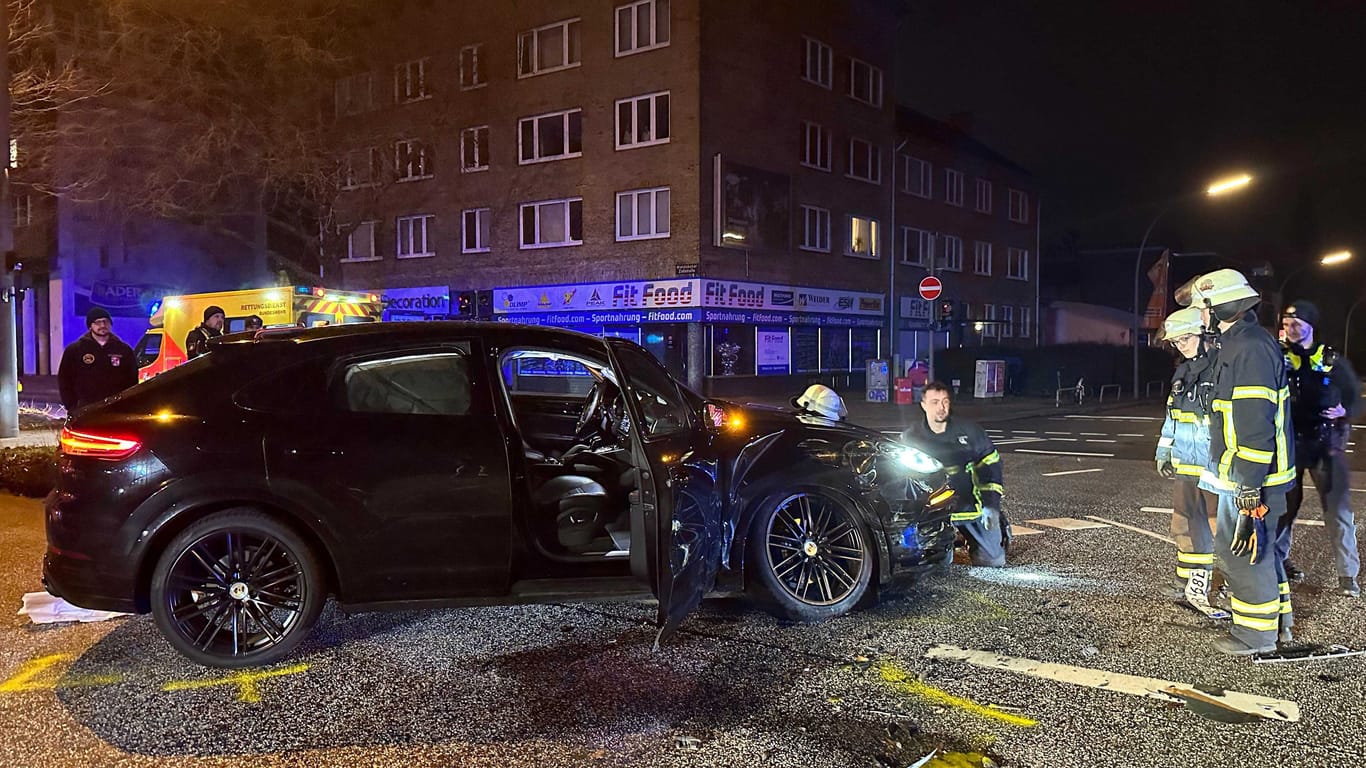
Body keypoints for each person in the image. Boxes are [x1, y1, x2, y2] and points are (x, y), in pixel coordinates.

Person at [1177, 268, 1296, 655]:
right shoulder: (1240, 343)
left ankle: (1254, 636)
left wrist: (1247, 485)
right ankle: (1278, 625)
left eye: (1201, 308)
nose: (1198, 317)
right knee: (1260, 553)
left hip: (1254, 478)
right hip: (1251, 475)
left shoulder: (1247, 349)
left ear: (1218, 307)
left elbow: (1254, 426)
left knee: (1244, 554)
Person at [1278, 300, 1361, 597]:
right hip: (1290, 443)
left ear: (1311, 326)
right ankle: (1280, 562)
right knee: (1284, 509)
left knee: (1337, 511)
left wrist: (1344, 410)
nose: (1291, 329)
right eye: (1287, 324)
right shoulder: (1280, 356)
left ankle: (1347, 576)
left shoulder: (1330, 358)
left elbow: (1354, 397)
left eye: (1297, 324)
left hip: (1325, 444)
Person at [1154, 306, 1223, 615]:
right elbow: (1172, 417)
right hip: (1186, 464)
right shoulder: (1182, 373)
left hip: (1215, 466)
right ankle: (1193, 583)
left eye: (1186, 339)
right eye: (1177, 342)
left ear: (1204, 335)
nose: (1181, 346)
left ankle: (1240, 585)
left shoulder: (1221, 368)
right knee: (1184, 524)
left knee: (1222, 527)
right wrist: (1164, 450)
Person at [902, 380, 1009, 567]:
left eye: (945, 401)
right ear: (923, 405)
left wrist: (991, 506)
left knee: (993, 561)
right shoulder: (911, 437)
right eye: (935, 402)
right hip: (933, 514)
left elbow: (991, 466)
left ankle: (997, 525)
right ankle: (949, 543)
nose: (941, 407)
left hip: (971, 508)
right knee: (933, 566)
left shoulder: (970, 432)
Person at [57, 307, 139, 412]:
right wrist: (72, 406)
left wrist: (128, 403)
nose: (103, 325)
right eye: (98, 322)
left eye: (106, 322)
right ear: (90, 326)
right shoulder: (75, 350)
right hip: (85, 409)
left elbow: (132, 379)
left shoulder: (124, 350)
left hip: (117, 409)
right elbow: (65, 379)